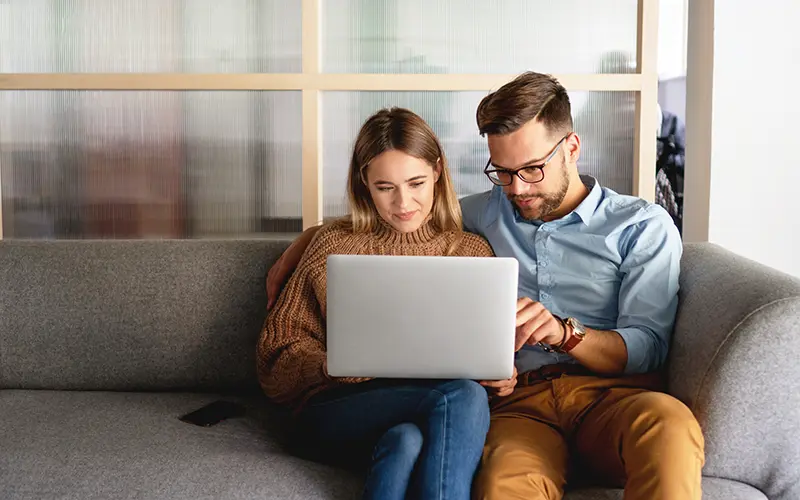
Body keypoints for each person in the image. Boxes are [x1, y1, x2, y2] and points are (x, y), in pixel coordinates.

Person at [265, 72, 705, 500]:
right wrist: (310, 237)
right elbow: (400, 213)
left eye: (532, 169)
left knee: (669, 429)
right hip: (521, 405)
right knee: (502, 487)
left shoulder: (639, 225)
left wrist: (564, 333)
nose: (517, 188)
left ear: (571, 147)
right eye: (503, 171)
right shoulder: (478, 214)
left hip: (613, 398)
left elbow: (649, 345)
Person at [257, 107, 501, 500]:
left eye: (417, 182)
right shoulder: (334, 245)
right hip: (334, 411)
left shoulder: (469, 251)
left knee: (405, 442)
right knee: (460, 395)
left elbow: (484, 359)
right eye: (385, 187)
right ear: (364, 183)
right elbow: (274, 362)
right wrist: (327, 364)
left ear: (438, 171)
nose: (404, 202)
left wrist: (501, 378)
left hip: (423, 416)